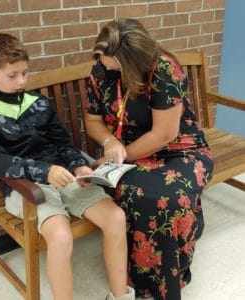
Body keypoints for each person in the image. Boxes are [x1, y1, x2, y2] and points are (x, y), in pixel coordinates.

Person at [0, 33, 135, 300]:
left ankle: (120, 295)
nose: (21, 81)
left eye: (24, 73)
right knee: (60, 237)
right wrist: (44, 171)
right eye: (12, 76)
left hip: (64, 175)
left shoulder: (40, 103)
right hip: (24, 187)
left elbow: (62, 142)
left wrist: (79, 164)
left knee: (115, 218)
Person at [85, 18, 214, 300]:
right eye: (102, 61)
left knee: (168, 198)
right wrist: (110, 142)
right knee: (135, 192)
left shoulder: (165, 69)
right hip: (128, 152)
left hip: (180, 150)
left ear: (131, 61)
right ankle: (137, 278)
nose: (104, 67)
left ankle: (164, 284)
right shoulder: (101, 68)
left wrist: (120, 156)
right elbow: (93, 120)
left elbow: (165, 134)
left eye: (111, 64)